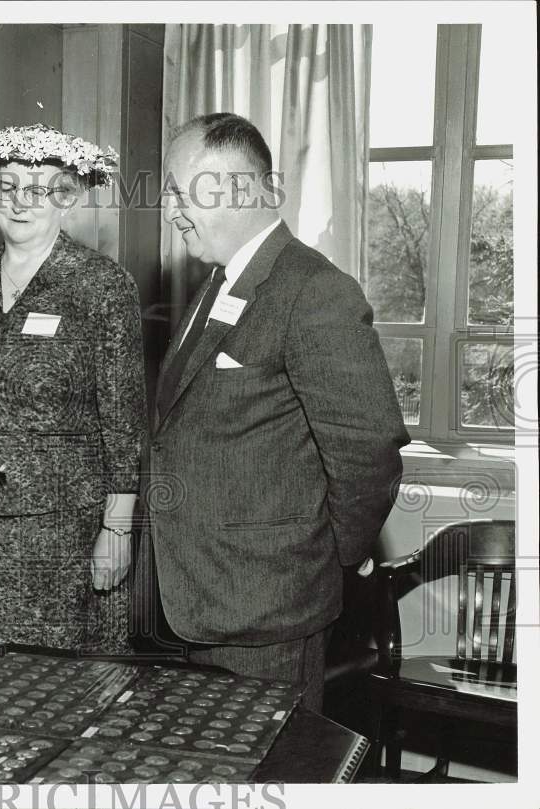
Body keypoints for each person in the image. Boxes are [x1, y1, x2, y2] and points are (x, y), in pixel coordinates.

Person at [147, 113, 409, 710]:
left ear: (240, 190)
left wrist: (327, 557)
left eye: (179, 193)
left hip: (265, 610)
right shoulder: (217, 283)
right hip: (197, 600)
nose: (170, 213)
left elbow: (368, 449)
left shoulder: (315, 291)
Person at [0, 124, 146, 653]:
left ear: (66, 198)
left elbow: (123, 423)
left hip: (61, 542)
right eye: (8, 186)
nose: (21, 202)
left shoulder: (101, 285)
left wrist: (117, 531)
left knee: (55, 705)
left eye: (42, 188)